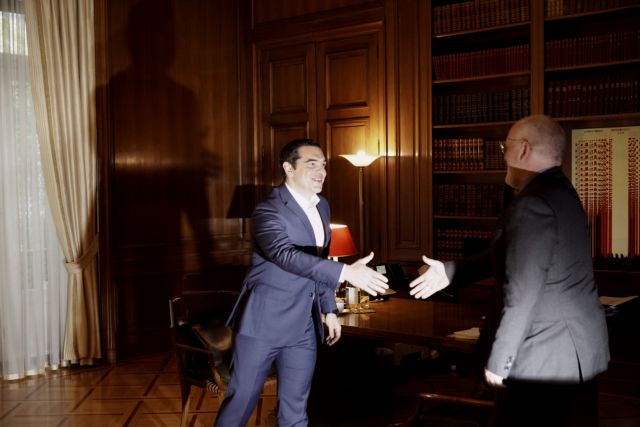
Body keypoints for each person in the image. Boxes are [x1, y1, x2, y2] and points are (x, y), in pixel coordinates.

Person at [409, 115, 609, 426]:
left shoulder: (532, 203)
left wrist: (501, 359)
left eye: (506, 147)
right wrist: (452, 271)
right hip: (574, 352)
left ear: (524, 149)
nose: (504, 155)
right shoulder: (562, 192)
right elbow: (518, 255)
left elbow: (522, 292)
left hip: (542, 357)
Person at [214, 138, 388, 427]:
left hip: (303, 327)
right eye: (312, 164)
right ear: (289, 168)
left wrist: (329, 309)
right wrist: (345, 272)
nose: (322, 172)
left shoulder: (323, 207)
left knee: (295, 410)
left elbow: (318, 262)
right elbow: (284, 255)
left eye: (324, 165)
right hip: (262, 323)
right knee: (241, 401)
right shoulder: (267, 210)